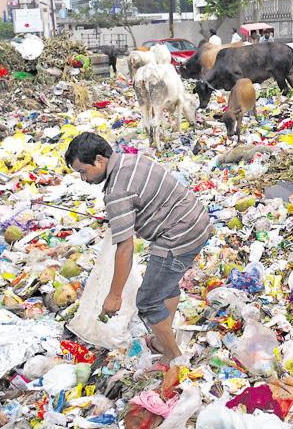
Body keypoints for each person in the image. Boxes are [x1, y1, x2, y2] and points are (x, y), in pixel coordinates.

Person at [65, 132, 212, 363]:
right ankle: (165, 338)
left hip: (179, 236)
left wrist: (114, 296)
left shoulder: (116, 192)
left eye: (83, 171)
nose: (83, 178)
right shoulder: (130, 160)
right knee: (165, 285)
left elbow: (125, 248)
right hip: (197, 221)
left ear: (100, 160)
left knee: (148, 301)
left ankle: (172, 357)